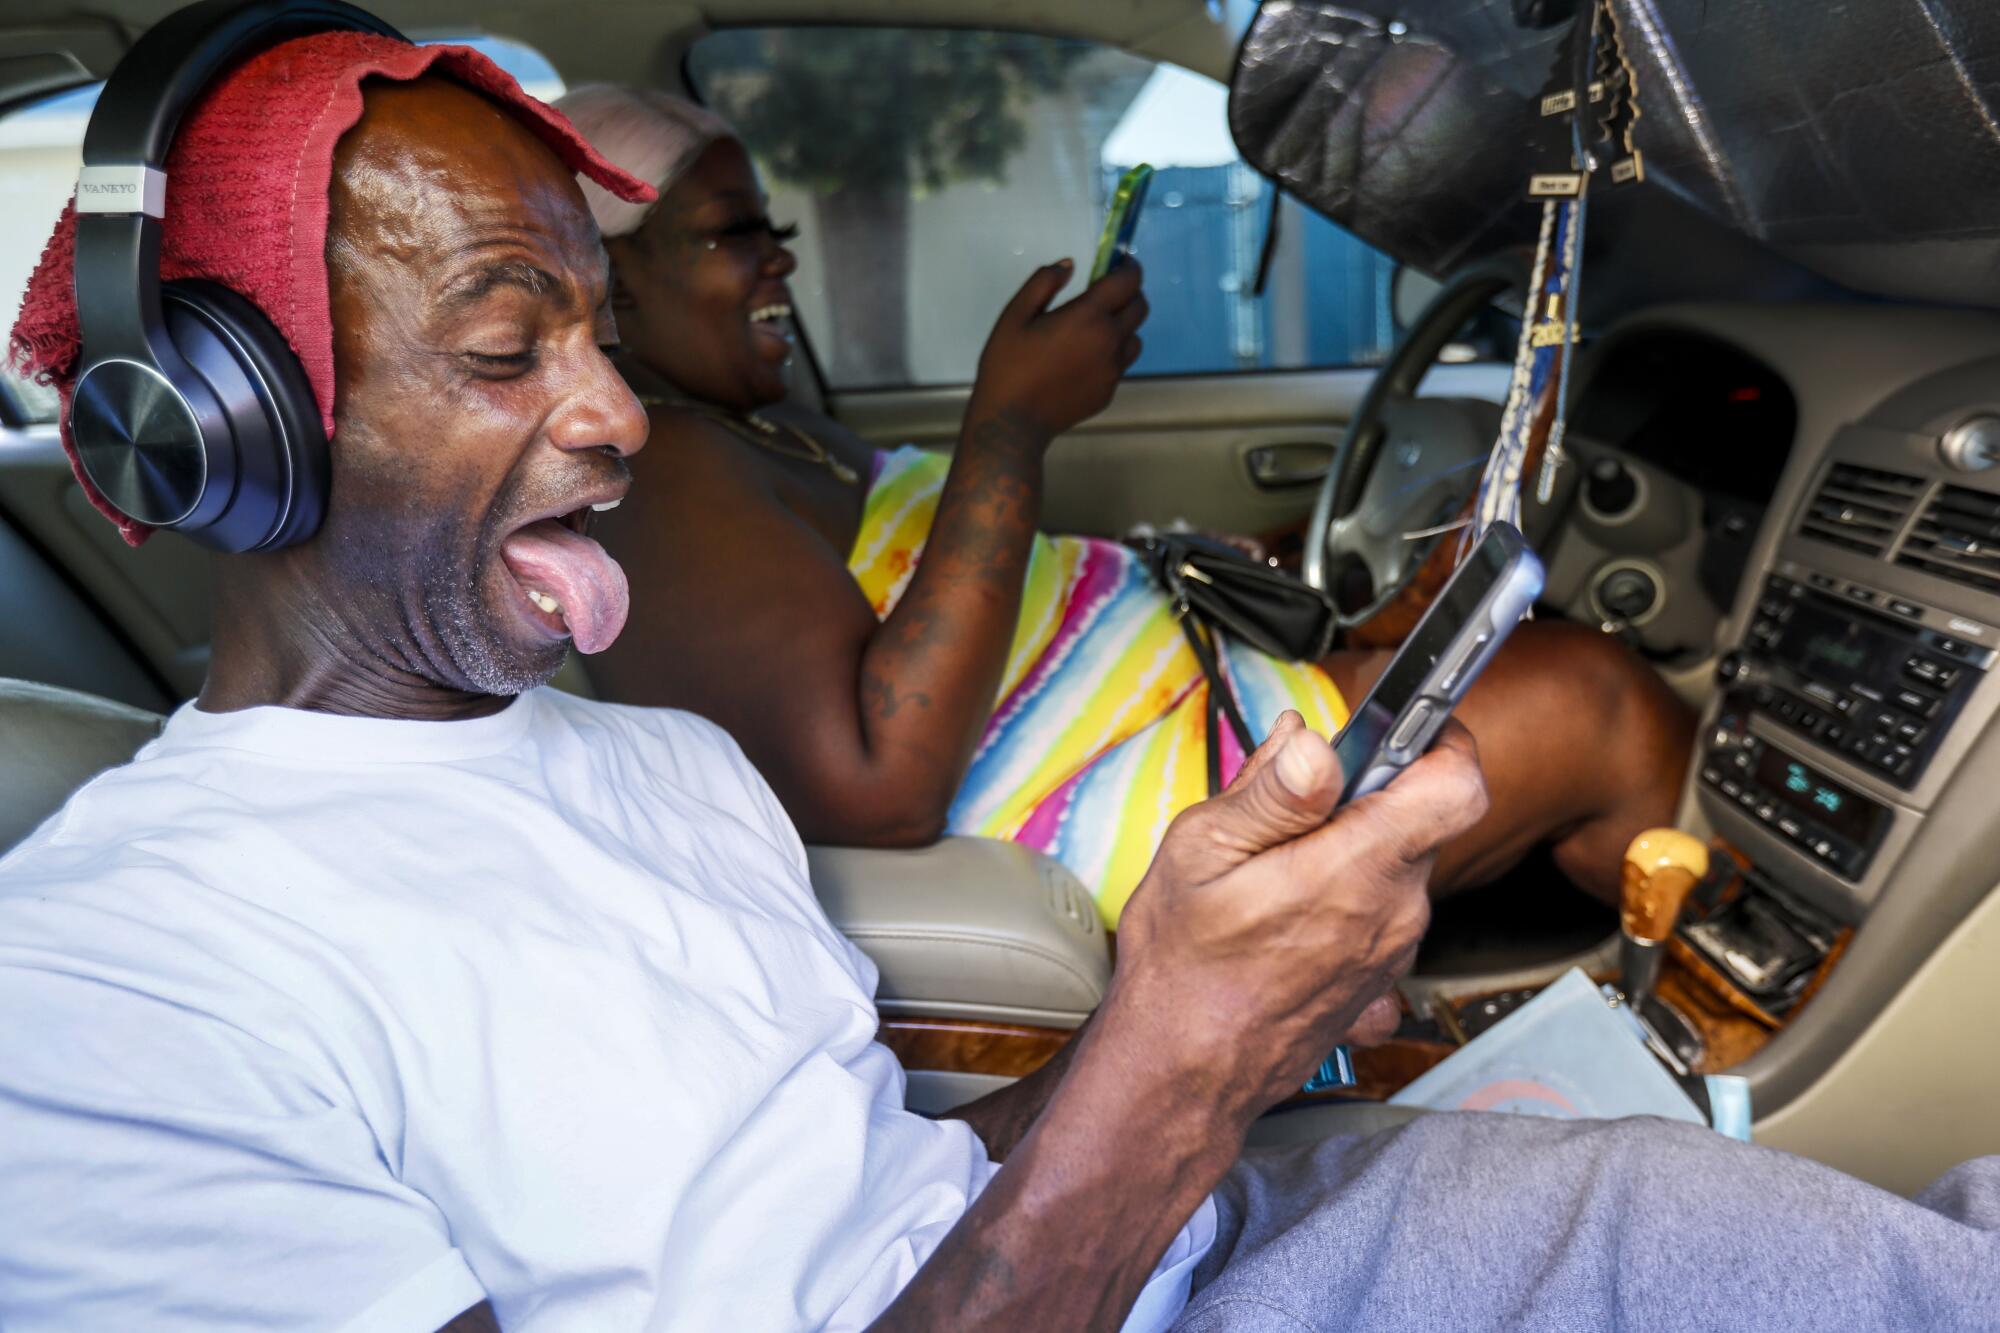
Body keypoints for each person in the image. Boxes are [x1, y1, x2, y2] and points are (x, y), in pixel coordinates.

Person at [5, 24, 1996, 1333]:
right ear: (216, 425)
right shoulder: (101, 990)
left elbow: (873, 1169)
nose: (616, 414)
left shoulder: (649, 770)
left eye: (602, 330)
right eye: (510, 347)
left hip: (1174, 1244)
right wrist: (1175, 1069)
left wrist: (1203, 1002)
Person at [550, 85, 1694, 925]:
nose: (778, 267)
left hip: (1187, 718)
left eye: (776, 233)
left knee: (1501, 659)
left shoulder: (754, 428)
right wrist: (1009, 428)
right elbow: (876, 784)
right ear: (606, 278)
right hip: (1127, 826)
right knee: (1596, 700)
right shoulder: (663, 476)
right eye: (730, 236)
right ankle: (1735, 987)